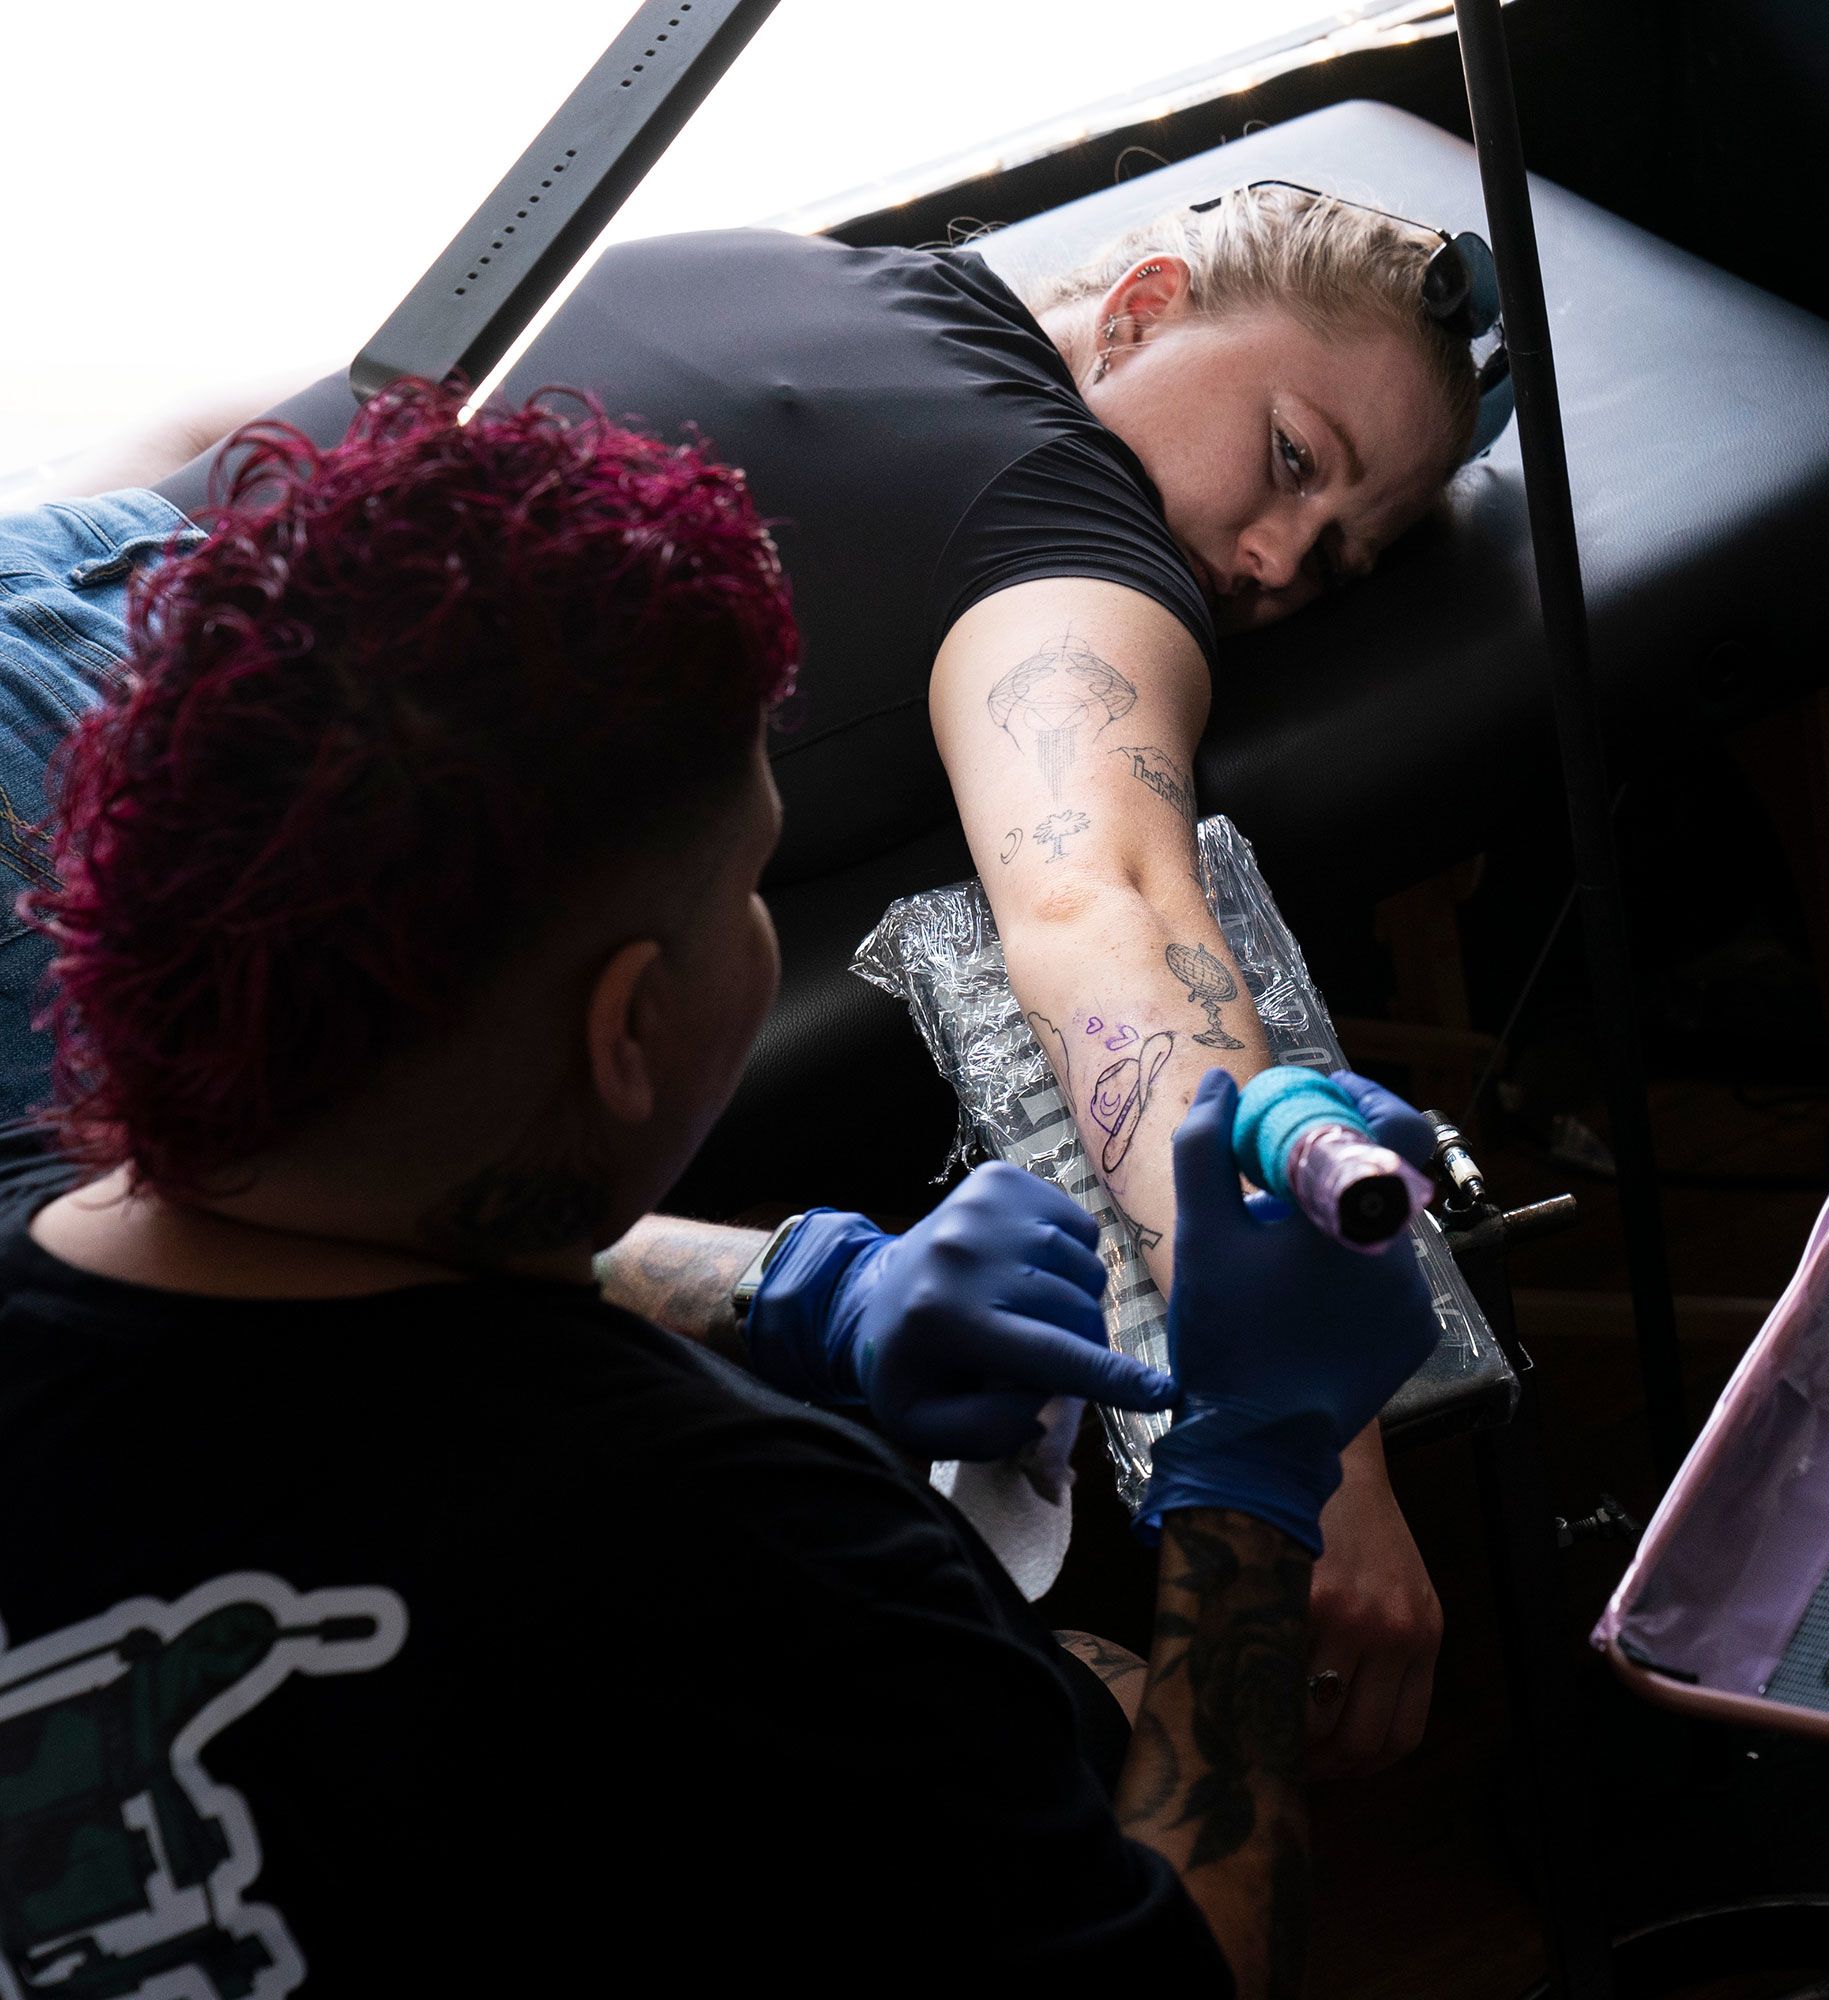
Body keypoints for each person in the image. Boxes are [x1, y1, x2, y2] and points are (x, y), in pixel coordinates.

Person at [12, 182, 1500, 1767]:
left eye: (1338, 555)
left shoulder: (770, 268)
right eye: (1289, 454)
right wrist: (1326, 1450)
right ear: (1140, 306)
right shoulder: (1067, 517)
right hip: (90, 788)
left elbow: (239, 434)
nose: (1276, 554)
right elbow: (1106, 898)